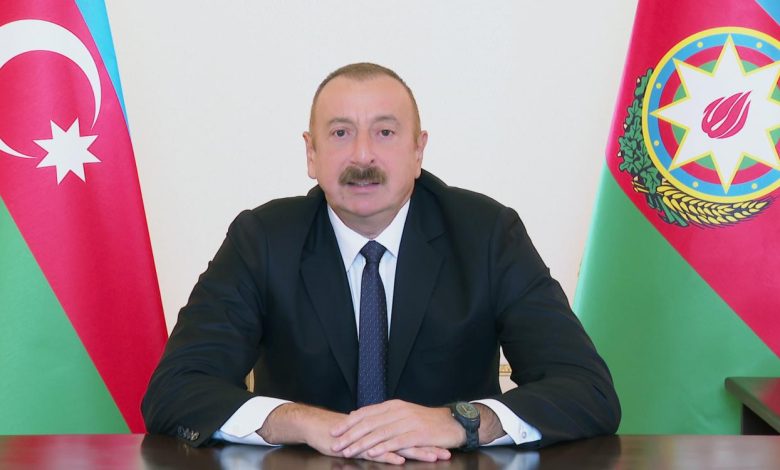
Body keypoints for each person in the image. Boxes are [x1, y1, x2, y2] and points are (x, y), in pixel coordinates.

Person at [142, 62, 620, 465]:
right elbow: (175, 391)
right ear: (311, 153)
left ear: (418, 150)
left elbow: (587, 391)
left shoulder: (486, 234)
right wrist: (302, 422)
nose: (363, 155)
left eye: (385, 133)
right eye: (341, 133)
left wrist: (459, 422)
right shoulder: (263, 239)